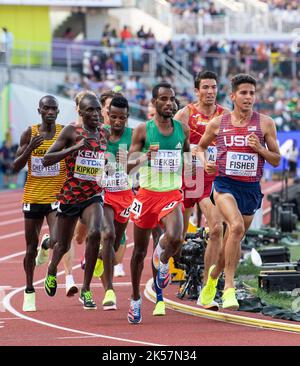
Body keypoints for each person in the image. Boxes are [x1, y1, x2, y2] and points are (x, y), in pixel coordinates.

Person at [198, 73, 280, 310]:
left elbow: (276, 160)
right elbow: (201, 148)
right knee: (233, 226)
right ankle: (229, 289)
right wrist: (206, 162)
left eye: (252, 93)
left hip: (250, 189)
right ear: (233, 96)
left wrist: (260, 149)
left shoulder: (265, 123)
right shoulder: (218, 123)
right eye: (243, 93)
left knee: (233, 239)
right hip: (224, 185)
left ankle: (211, 282)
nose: (248, 97)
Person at [127, 82, 190, 324]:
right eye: (163, 99)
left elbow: (186, 155)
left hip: (171, 194)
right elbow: (127, 166)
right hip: (146, 195)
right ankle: (135, 299)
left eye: (171, 99)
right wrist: (145, 157)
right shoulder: (143, 130)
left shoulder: (182, 129)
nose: (169, 103)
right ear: (154, 103)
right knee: (139, 252)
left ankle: (163, 262)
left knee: (176, 236)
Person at [43, 94, 109, 310]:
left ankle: (86, 288)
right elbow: (47, 159)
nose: (96, 114)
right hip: (71, 196)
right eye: (90, 110)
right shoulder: (71, 131)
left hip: (93, 195)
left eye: (98, 110)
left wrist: (107, 170)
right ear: (80, 112)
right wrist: (73, 149)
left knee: (95, 233)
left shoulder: (103, 133)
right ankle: (52, 269)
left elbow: (105, 160)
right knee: (61, 245)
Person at [174, 70, 229, 310]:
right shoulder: (185, 114)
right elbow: (171, 144)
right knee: (178, 236)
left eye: (213, 87)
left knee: (217, 228)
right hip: (190, 177)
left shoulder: (226, 115)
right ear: (197, 90)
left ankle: (208, 286)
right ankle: (167, 259)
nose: (210, 92)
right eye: (205, 87)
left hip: (213, 180)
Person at [12, 95, 66, 311]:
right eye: (46, 108)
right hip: (33, 197)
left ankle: (47, 245)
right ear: (39, 111)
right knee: (29, 248)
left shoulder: (64, 132)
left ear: (58, 111)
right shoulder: (30, 133)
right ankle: (29, 290)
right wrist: (29, 149)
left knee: (57, 239)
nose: (50, 112)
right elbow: (15, 166)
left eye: (54, 108)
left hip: (55, 197)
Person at [100, 95, 134, 310]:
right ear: (108, 115)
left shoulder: (134, 135)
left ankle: (99, 262)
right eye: (113, 117)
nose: (117, 121)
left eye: (122, 117)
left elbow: (140, 163)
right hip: (102, 194)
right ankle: (109, 290)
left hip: (125, 193)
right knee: (108, 234)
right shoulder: (100, 133)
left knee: (116, 240)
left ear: (127, 117)